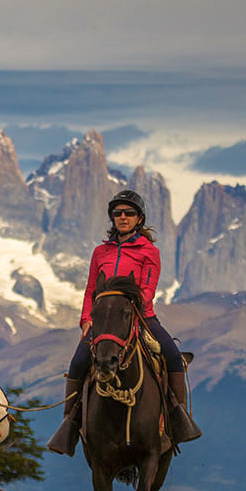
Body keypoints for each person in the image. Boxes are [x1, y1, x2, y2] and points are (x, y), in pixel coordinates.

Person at [47, 189, 200, 455]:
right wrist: (86, 320)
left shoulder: (149, 251)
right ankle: (69, 425)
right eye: (117, 213)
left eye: (129, 213)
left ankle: (179, 419)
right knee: (78, 362)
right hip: (103, 322)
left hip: (142, 317)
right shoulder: (100, 252)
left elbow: (148, 289)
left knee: (173, 356)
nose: (123, 217)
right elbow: (91, 289)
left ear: (140, 219)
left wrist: (132, 312)